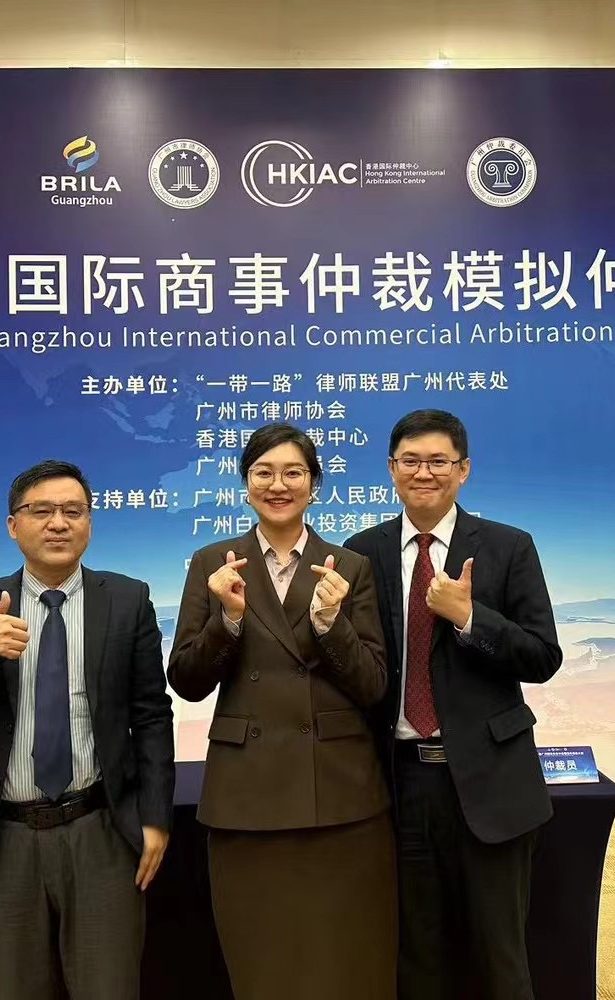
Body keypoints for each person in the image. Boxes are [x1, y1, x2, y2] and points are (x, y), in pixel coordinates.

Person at [168, 423, 397, 1000]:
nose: (278, 485)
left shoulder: (348, 566)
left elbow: (373, 685)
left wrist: (330, 624)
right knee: (264, 960)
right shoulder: (212, 564)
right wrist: (227, 620)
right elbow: (187, 681)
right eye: (264, 472)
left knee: (349, 960)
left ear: (314, 484)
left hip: (339, 793)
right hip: (248, 793)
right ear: (245, 483)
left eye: (293, 472)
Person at [345, 409, 562, 1000]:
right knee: (416, 958)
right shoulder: (361, 552)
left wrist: (470, 618)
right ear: (391, 469)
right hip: (399, 783)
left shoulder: (508, 547)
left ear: (463, 470)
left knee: (500, 959)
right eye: (411, 461)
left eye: (438, 461)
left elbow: (543, 656)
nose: (424, 472)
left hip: (491, 784)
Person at [0, 459, 175, 1000]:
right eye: (42, 511)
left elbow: (151, 714)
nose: (58, 523)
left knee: (109, 986)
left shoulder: (126, 599)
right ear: (13, 525)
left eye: (73, 511)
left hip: (99, 829)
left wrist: (156, 818)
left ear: (90, 523)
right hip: (7, 837)